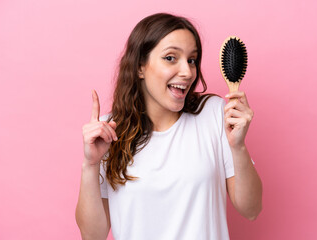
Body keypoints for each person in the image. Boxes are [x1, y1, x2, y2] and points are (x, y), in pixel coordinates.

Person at [75, 13, 262, 240]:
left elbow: (251, 210)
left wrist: (238, 147)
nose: (187, 72)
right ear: (140, 67)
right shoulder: (108, 133)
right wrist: (91, 164)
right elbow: (92, 236)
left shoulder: (213, 113)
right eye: (171, 58)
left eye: (192, 60)